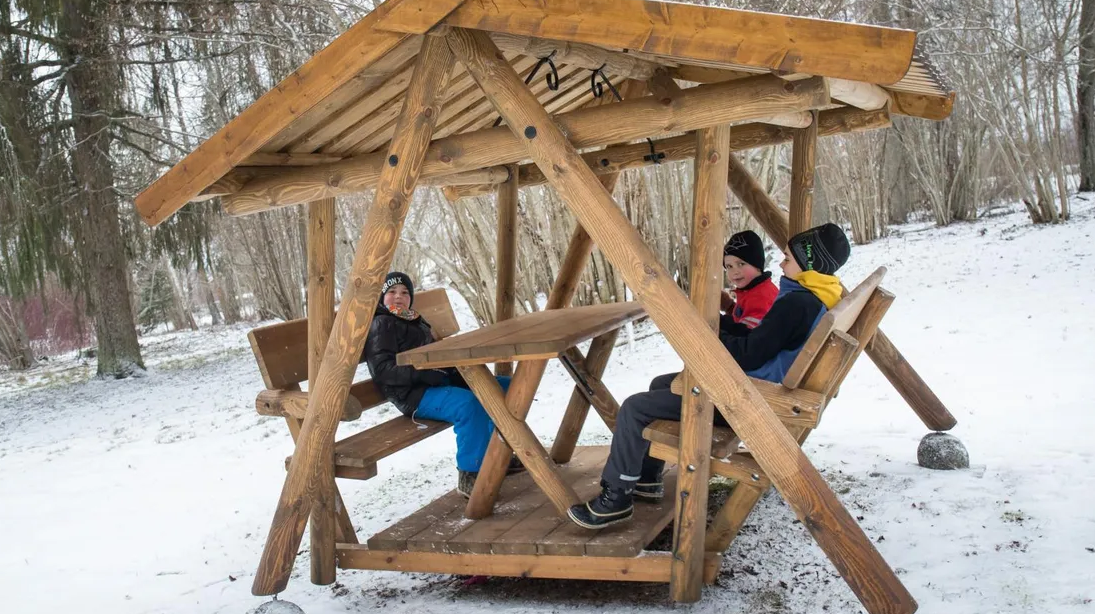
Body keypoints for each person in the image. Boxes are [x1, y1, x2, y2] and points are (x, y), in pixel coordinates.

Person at [567, 223, 852, 530]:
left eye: (788, 258)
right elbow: (761, 340)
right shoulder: (815, 297)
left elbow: (749, 353)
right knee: (660, 385)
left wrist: (705, 334)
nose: (781, 264)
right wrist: (718, 326)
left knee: (635, 408)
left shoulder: (797, 304)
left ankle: (615, 499)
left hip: (746, 401)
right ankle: (647, 480)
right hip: (757, 391)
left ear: (809, 264)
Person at [364, 271, 522, 495]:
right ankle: (471, 473)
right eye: (391, 292)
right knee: (469, 405)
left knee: (507, 388)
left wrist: (450, 369)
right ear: (382, 297)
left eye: (404, 292)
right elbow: (382, 371)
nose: (398, 296)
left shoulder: (416, 320)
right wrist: (422, 373)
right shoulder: (382, 324)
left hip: (438, 380)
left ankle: (496, 457)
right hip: (413, 394)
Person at [721, 229, 778, 331]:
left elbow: (746, 335)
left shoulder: (762, 296)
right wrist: (729, 307)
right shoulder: (751, 290)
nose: (735, 271)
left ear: (757, 265)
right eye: (729, 266)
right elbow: (745, 316)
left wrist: (718, 321)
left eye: (741, 264)